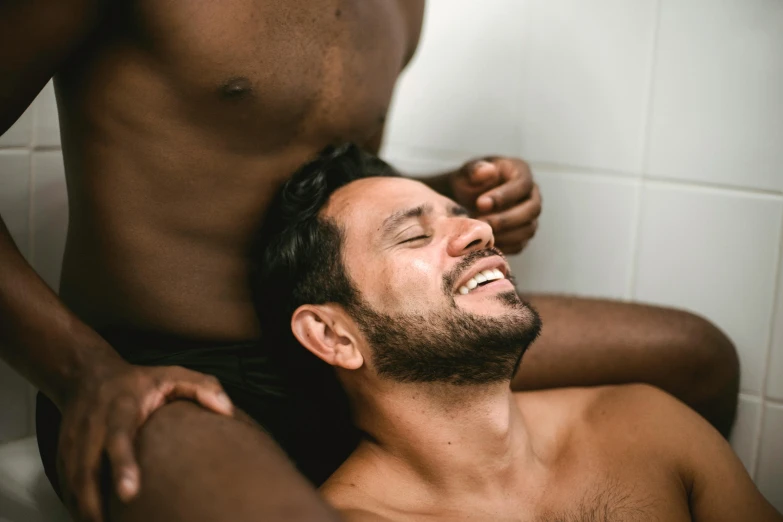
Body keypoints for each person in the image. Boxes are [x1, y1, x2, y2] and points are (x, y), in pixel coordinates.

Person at [0, 2, 738, 522]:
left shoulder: (400, 5)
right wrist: (83, 372)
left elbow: (299, 176)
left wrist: (442, 201)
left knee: (695, 359)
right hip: (161, 366)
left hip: (358, 337)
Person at [252, 145, 781, 522]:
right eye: (414, 235)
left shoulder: (649, 423)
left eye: (462, 217)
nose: (480, 231)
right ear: (333, 336)